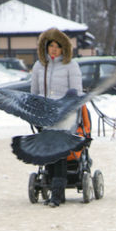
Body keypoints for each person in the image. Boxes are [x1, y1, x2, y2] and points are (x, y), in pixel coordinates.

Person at [30, 27, 83, 207]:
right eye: (50, 45)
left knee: (59, 154)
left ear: (63, 48)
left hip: (64, 116)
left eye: (57, 46)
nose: (53, 49)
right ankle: (52, 189)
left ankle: (57, 194)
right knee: (49, 154)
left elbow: (77, 93)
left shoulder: (71, 66)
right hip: (45, 116)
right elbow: (34, 93)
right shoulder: (39, 66)